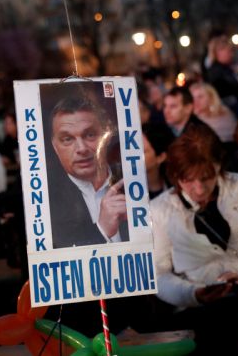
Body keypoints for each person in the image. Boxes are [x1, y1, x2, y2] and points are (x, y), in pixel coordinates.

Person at [150, 124, 238, 356]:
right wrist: (193, 294)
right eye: (188, 180)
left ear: (218, 167)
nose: (198, 188)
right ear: (176, 176)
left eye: (206, 177)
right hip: (196, 311)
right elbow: (159, 274)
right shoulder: (159, 211)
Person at [46, 93, 128, 248]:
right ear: (55, 147)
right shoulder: (46, 199)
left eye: (90, 135)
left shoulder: (132, 181)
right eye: (67, 139)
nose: (82, 149)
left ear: (107, 136)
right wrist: (102, 230)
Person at [142, 122, 174, 199]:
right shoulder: (123, 191)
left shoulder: (177, 187)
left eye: (142, 152)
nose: (134, 155)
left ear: (161, 157)